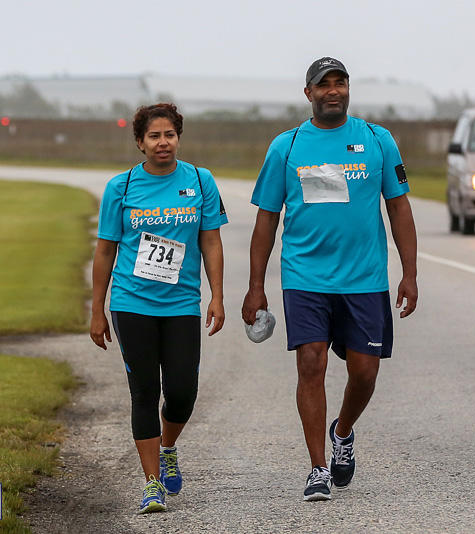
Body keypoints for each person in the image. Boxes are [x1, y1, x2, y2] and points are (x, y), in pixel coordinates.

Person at [242, 57, 418, 501]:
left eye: (340, 83)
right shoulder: (286, 146)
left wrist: (410, 273)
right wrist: (256, 285)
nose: (333, 90)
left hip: (365, 278)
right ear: (309, 93)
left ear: (348, 89)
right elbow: (266, 219)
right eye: (324, 85)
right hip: (305, 276)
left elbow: (399, 207)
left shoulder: (378, 140)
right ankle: (318, 467)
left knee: (365, 372)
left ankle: (343, 431)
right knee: (311, 363)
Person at [90, 103, 228, 514]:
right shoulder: (121, 188)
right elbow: (105, 251)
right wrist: (97, 310)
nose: (162, 142)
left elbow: (211, 241)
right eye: (154, 136)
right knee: (145, 392)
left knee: (182, 393)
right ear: (140, 142)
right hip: (132, 302)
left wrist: (217, 295)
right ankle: (151, 483)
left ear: (178, 138)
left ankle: (168, 447)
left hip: (182, 303)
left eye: (169, 134)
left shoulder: (200, 181)